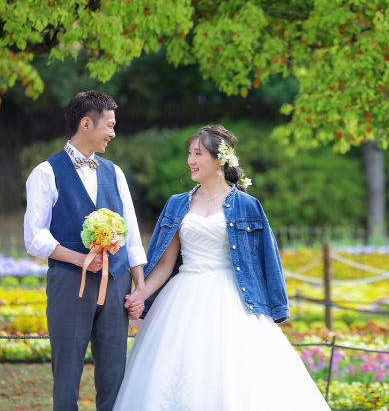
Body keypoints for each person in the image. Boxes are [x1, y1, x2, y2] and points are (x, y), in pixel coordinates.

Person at [113, 124, 330, 410]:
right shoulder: (177, 204)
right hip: (182, 296)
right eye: (190, 153)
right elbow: (166, 263)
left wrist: (276, 306)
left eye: (198, 153)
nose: (191, 160)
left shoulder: (247, 206)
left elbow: (268, 259)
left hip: (234, 297)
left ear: (219, 160)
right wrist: (141, 294)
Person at [24, 91, 148, 411]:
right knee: (67, 375)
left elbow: (131, 233)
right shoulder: (45, 173)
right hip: (69, 284)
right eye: (109, 125)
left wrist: (140, 286)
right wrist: (80, 259)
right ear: (85, 124)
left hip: (117, 283)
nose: (113, 132)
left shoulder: (114, 172)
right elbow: (34, 238)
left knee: (114, 375)